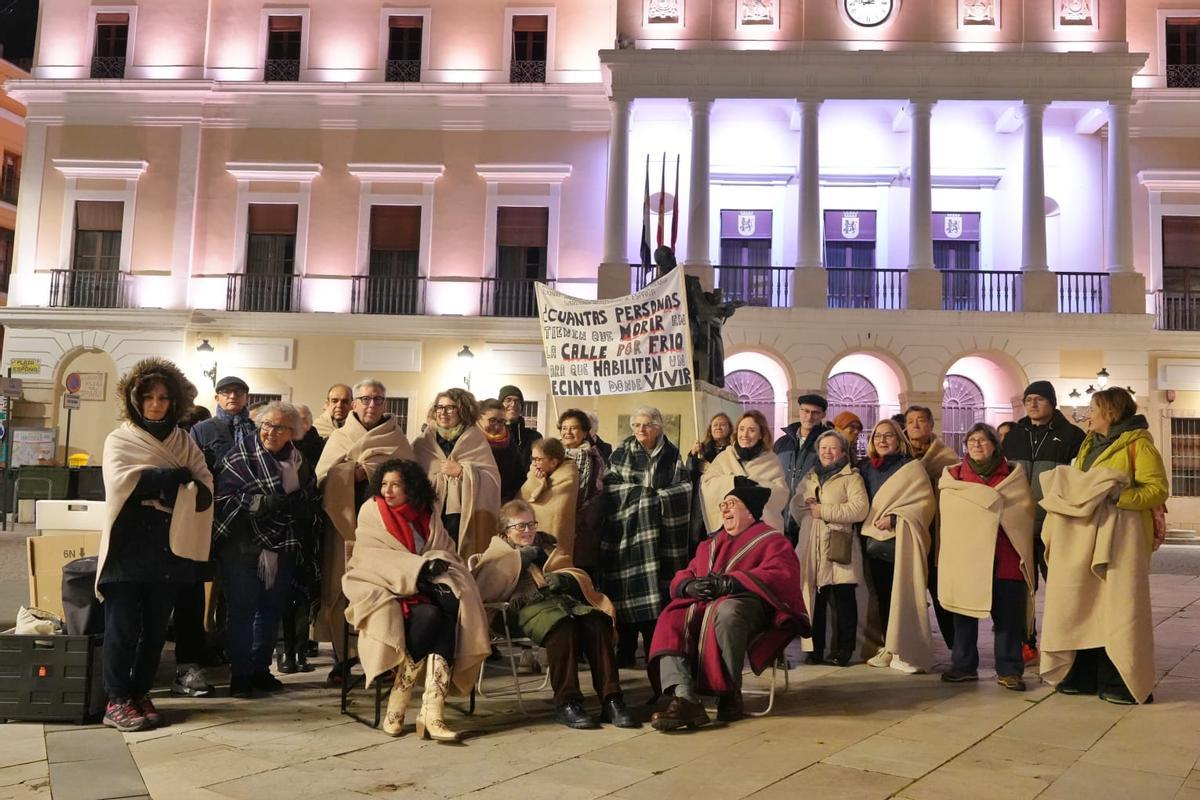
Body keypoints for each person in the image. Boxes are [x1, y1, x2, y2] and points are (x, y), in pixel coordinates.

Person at [97, 358, 213, 731]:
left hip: (169, 544)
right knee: (123, 627)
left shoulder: (184, 441)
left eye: (163, 398)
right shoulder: (121, 438)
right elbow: (120, 482)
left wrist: (171, 482)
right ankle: (116, 699)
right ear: (135, 399)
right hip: (128, 543)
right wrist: (169, 478)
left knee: (156, 629)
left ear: (174, 401)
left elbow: (205, 485)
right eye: (147, 397)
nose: (156, 404)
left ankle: (141, 691)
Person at [342, 459, 490, 740]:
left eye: (395, 484)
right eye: (384, 484)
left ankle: (427, 710)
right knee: (437, 616)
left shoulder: (428, 512)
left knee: (447, 611)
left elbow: (445, 549)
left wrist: (434, 563)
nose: (388, 490)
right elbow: (369, 556)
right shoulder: (371, 510)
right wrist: (416, 570)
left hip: (429, 589)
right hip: (385, 589)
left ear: (411, 487)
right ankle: (414, 705)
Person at [1040, 388, 1168, 705]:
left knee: (1120, 605)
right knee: (1086, 602)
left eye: (1094, 407)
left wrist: (1117, 497)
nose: (1089, 412)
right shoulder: (1089, 444)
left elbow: (1158, 489)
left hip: (1123, 538)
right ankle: (1083, 674)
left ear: (1110, 411)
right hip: (1084, 536)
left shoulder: (1139, 444)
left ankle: (1122, 679)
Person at [648, 477, 806, 731]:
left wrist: (733, 583)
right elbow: (687, 572)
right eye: (723, 504)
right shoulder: (710, 544)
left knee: (726, 610)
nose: (724, 509)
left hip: (751, 608)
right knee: (672, 615)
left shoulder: (772, 541)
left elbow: (782, 575)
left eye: (731, 504)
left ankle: (730, 692)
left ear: (750, 511)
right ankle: (685, 697)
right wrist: (688, 586)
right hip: (708, 606)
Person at [471, 500, 638, 730]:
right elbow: (486, 587)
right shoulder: (497, 552)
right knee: (562, 628)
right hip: (518, 611)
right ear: (505, 531)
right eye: (521, 527)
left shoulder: (548, 546)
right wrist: (520, 558)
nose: (528, 531)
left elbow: (572, 571)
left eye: (531, 524)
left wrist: (564, 579)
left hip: (561, 603)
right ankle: (567, 703)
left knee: (597, 622)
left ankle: (612, 700)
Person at [213, 402, 320, 697]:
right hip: (242, 546)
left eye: (280, 427)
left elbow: (310, 496)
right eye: (267, 425)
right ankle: (241, 676)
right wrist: (264, 503)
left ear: (293, 433)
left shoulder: (299, 461)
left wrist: (298, 505)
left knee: (270, 612)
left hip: (282, 545)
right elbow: (224, 500)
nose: (271, 432)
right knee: (243, 612)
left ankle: (261, 671)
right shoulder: (238, 456)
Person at [315, 378, 413, 684]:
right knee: (341, 588)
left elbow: (412, 480)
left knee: (383, 591)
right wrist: (347, 472)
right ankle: (343, 658)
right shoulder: (340, 437)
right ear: (355, 403)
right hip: (343, 526)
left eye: (378, 399)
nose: (372, 405)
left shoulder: (397, 439)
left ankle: (384, 658)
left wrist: (367, 470)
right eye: (366, 399)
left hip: (386, 530)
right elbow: (321, 477)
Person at [173, 375, 255, 699]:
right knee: (193, 588)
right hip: (207, 516)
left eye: (237, 392)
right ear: (217, 397)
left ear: (246, 397)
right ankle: (195, 654)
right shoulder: (203, 430)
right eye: (225, 392)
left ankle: (233, 657)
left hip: (242, 521)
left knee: (237, 591)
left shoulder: (254, 429)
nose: (232, 397)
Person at [937, 423, 1036, 690]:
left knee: (1008, 619)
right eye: (972, 441)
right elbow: (951, 516)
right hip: (967, 558)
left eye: (983, 440)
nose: (977, 445)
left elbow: (1022, 514)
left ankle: (1009, 669)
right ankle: (963, 665)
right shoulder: (954, 478)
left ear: (994, 445)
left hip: (1004, 557)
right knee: (963, 614)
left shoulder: (1012, 477)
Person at [601, 406, 692, 667]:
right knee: (626, 593)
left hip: (662, 538)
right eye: (637, 425)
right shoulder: (620, 453)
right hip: (627, 537)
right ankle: (626, 649)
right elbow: (611, 487)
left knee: (660, 594)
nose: (641, 429)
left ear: (659, 426)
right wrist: (647, 497)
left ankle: (656, 651)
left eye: (647, 424)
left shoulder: (673, 455)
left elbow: (684, 488)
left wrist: (656, 499)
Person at [1003, 380, 1087, 660]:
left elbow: (1078, 479)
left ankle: (1063, 639)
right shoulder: (1014, 435)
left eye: (1039, 399)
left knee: (1060, 585)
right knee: (1022, 589)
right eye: (1028, 400)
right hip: (1020, 526)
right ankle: (1026, 642)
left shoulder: (1072, 435)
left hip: (1055, 525)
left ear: (1052, 402)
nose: (1033, 404)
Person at [858, 419, 937, 674]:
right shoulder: (865, 468)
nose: (882, 440)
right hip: (871, 542)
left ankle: (905, 650)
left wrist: (895, 518)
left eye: (888, 436)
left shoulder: (912, 468)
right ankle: (887, 647)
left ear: (898, 440)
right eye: (878, 436)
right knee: (881, 598)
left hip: (899, 542)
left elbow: (925, 503)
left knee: (903, 596)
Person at [792, 430, 868, 667]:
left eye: (833, 448)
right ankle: (814, 650)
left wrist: (824, 511)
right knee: (815, 602)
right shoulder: (811, 476)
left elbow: (859, 509)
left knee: (843, 601)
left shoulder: (852, 477)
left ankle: (843, 650)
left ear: (843, 452)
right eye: (823, 448)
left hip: (838, 545)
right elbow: (795, 506)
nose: (827, 452)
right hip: (812, 545)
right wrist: (805, 507)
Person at [413, 388, 503, 559]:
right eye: (439, 407)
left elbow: (493, 480)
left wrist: (463, 472)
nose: (443, 413)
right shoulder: (424, 442)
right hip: (429, 513)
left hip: (462, 517)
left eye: (450, 408)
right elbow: (412, 475)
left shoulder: (475, 440)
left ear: (462, 410)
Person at [904, 405, 959, 650]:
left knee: (940, 593)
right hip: (908, 533)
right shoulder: (900, 457)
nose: (915, 425)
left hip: (938, 534)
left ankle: (956, 647)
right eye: (910, 421)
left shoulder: (947, 459)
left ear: (931, 425)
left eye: (921, 420)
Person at [277, 403, 323, 675]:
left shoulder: (306, 456)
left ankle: (300, 650)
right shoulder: (275, 455)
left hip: (305, 533)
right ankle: (284, 650)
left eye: (301, 422)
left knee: (303, 594)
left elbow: (314, 490)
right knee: (283, 594)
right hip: (280, 535)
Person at [701, 411, 788, 534]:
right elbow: (707, 484)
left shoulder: (771, 460)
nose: (745, 435)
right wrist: (733, 481)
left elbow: (781, 494)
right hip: (728, 529)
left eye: (751, 430)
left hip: (760, 531)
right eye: (741, 429)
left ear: (761, 434)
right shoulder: (725, 457)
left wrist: (756, 487)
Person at [773, 393, 833, 544]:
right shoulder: (782, 443)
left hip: (810, 519)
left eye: (815, 413)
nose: (809, 417)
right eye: (805, 411)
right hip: (779, 518)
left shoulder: (827, 444)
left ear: (823, 415)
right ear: (799, 411)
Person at [557, 409, 607, 576]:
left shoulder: (594, 457)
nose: (567, 432)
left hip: (582, 527)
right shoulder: (550, 453)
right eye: (564, 428)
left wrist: (578, 518)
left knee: (577, 574)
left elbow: (597, 492)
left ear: (585, 432)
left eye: (573, 428)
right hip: (553, 524)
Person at [519, 438, 580, 557]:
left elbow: (555, 509)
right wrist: (537, 481)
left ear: (553, 462)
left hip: (553, 538)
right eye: (533, 459)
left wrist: (543, 484)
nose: (534, 463)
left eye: (538, 459)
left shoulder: (568, 476)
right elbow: (522, 500)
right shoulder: (534, 472)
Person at [687, 413, 733, 550]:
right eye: (715, 425)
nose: (718, 427)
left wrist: (711, 469)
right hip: (702, 499)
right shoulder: (703, 450)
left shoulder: (733, 451)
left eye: (723, 424)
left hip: (723, 497)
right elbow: (689, 473)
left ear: (730, 428)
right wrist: (693, 456)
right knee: (699, 535)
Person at [478, 398, 526, 502]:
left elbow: (520, 478)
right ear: (478, 418)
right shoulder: (469, 442)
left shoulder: (510, 445)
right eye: (492, 420)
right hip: (474, 503)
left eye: (502, 421)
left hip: (503, 504)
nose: (497, 426)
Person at [498, 385, 543, 469]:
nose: (513, 404)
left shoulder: (535, 437)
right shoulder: (492, 435)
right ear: (500, 405)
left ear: (521, 407)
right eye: (508, 400)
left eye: (517, 401)